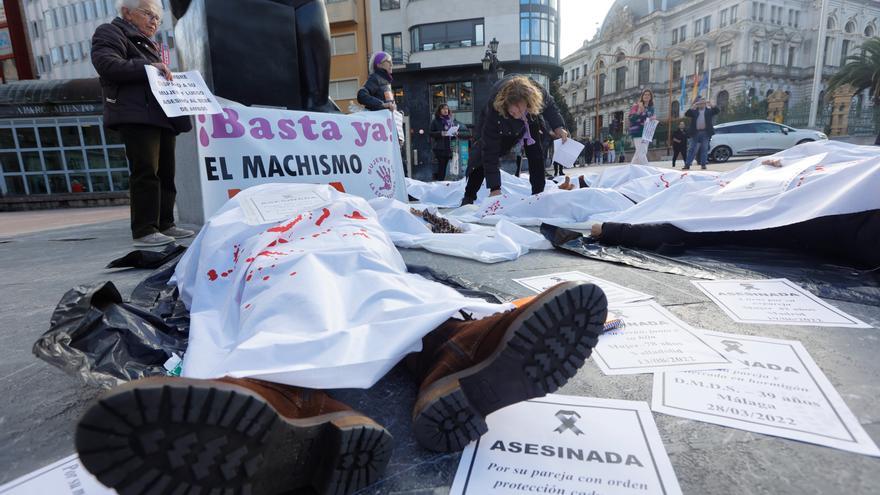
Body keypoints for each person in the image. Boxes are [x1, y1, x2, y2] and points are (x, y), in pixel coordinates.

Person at [73, 183, 609, 495]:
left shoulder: (322, 201)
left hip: (338, 235)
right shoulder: (246, 206)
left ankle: (295, 394)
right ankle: (448, 348)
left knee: (362, 275)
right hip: (288, 244)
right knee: (319, 280)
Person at [91, 0, 193, 247]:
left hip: (160, 115)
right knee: (146, 171)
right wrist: (150, 66)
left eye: (157, 17)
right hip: (136, 114)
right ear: (127, 12)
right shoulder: (110, 32)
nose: (154, 21)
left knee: (166, 172)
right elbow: (108, 65)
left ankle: (165, 223)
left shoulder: (150, 44)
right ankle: (145, 229)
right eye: (148, 14)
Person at [460, 75, 568, 205]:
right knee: (482, 157)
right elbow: (490, 151)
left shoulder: (538, 93)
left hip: (530, 121)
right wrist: (495, 188)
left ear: (529, 102)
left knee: (536, 154)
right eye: (513, 112)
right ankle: (468, 197)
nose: (517, 113)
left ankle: (537, 195)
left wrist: (558, 127)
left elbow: (551, 107)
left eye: (520, 110)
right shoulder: (494, 109)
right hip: (503, 124)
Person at [684, 96, 720, 170]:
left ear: (705, 104)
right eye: (700, 103)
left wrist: (711, 104)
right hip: (695, 133)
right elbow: (687, 114)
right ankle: (687, 164)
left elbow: (717, 111)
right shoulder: (694, 111)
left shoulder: (709, 111)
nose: (701, 104)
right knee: (692, 149)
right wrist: (693, 107)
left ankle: (703, 164)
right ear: (698, 104)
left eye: (703, 103)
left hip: (705, 133)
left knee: (704, 149)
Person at [429, 103, 457, 181]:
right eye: (443, 109)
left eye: (447, 109)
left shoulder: (450, 121)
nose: (446, 110)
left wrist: (454, 133)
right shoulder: (435, 121)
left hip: (448, 148)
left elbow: (452, 136)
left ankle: (442, 182)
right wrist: (441, 133)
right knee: (441, 166)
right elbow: (430, 133)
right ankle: (439, 182)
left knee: (445, 167)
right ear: (439, 111)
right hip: (439, 148)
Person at [628, 89, 656, 165]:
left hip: (647, 132)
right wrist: (639, 111)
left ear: (651, 97)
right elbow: (631, 118)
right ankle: (649, 172)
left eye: (648, 95)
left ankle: (631, 170)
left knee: (639, 153)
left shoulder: (651, 108)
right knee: (641, 153)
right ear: (642, 96)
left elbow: (648, 119)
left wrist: (652, 119)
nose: (646, 96)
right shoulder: (636, 106)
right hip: (637, 132)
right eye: (645, 94)